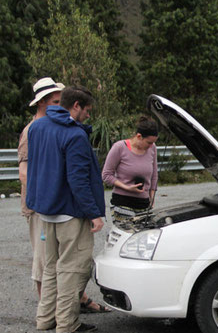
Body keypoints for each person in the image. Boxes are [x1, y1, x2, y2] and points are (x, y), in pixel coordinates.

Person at [18, 78, 109, 314]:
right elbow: (30, 171)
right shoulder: (54, 132)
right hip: (58, 208)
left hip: (47, 206)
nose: (60, 106)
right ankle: (63, 319)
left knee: (50, 265)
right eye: (56, 102)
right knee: (62, 266)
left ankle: (47, 316)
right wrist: (92, 212)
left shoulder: (41, 128)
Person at [102, 116, 159, 222]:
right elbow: (106, 175)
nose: (151, 145)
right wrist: (126, 187)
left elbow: (154, 174)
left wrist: (152, 195)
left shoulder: (153, 148)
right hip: (123, 202)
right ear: (139, 136)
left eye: (153, 142)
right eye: (148, 142)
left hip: (143, 203)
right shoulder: (119, 147)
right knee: (128, 235)